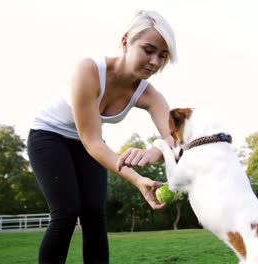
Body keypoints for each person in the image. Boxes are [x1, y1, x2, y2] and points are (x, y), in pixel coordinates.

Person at [27, 10, 177, 264]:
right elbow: (92, 142)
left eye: (162, 56)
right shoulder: (89, 70)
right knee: (67, 211)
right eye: (148, 50)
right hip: (49, 136)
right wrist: (138, 180)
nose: (154, 62)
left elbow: (174, 138)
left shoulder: (150, 95)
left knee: (94, 213)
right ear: (125, 42)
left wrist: (155, 150)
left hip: (87, 143)